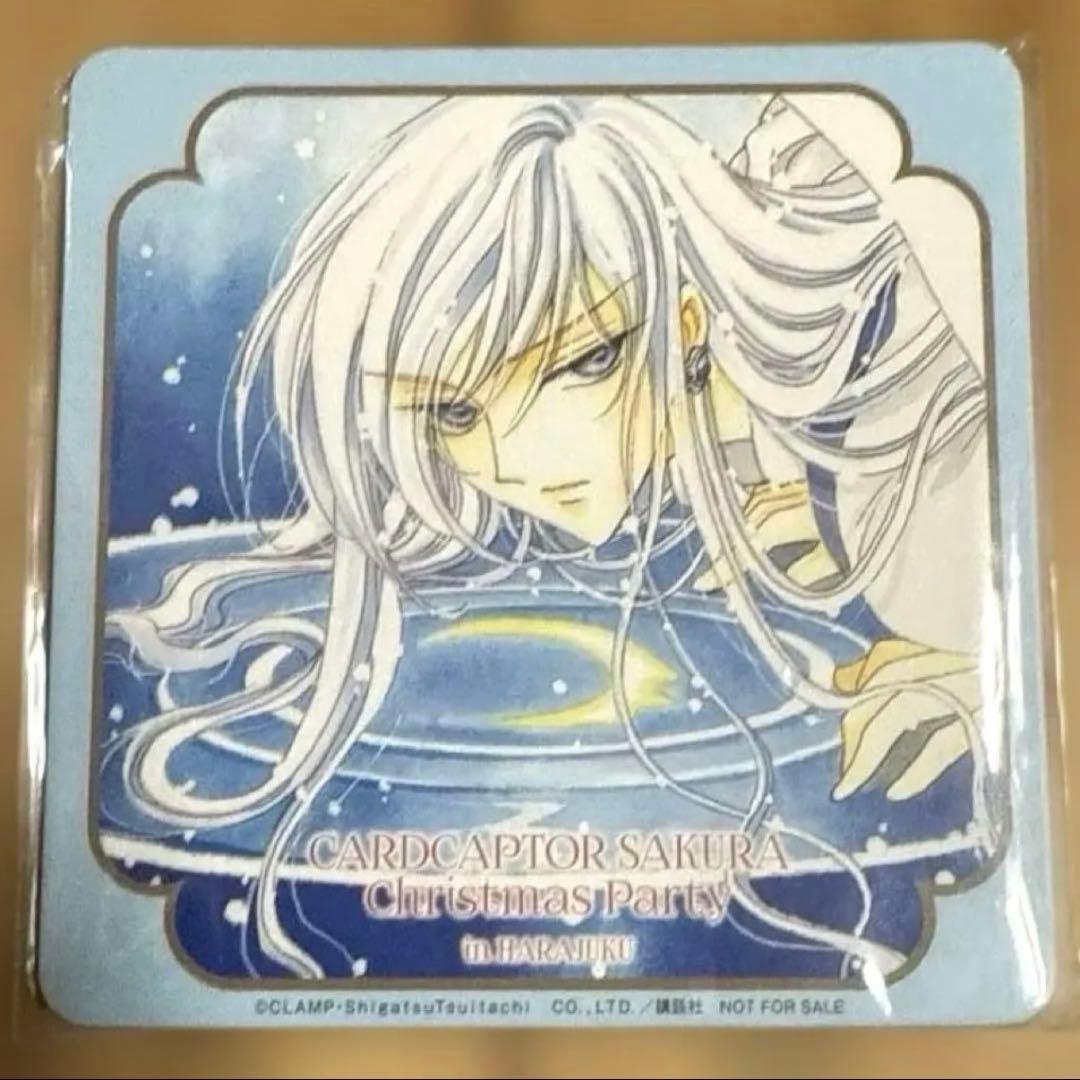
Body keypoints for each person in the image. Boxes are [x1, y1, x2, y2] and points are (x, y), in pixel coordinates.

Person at [108, 92, 993, 978]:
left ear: (687, 321)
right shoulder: (773, 393)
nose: (523, 461)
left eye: (586, 361)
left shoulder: (909, 452)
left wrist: (983, 689)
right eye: (454, 412)